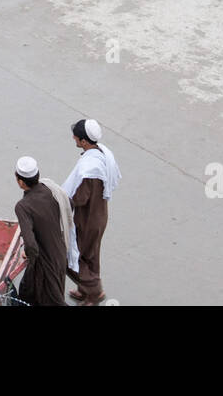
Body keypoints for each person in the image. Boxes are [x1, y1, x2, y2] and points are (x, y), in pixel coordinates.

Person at [62, 118, 121, 306]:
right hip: (99, 215)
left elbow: (80, 197)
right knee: (91, 254)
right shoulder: (102, 153)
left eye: (76, 137)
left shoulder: (90, 168)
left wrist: (62, 202)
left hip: (87, 220)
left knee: (76, 257)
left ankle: (94, 292)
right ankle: (84, 291)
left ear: (84, 141)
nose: (73, 138)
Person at [13, 156, 70, 307]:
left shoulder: (23, 206)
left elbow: (31, 245)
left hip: (45, 264)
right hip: (60, 254)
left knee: (52, 301)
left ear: (20, 182)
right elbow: (69, 204)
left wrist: (29, 254)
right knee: (28, 293)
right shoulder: (49, 189)